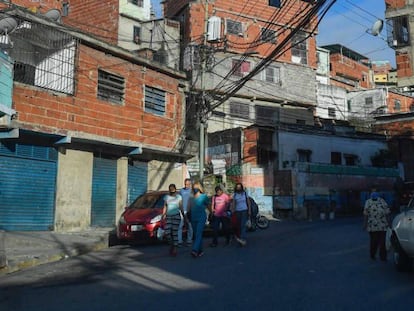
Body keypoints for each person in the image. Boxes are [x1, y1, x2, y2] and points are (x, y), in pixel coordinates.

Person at [363, 190, 391, 261]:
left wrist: (389, 223)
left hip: (381, 225)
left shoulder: (381, 201)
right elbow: (366, 214)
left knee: (382, 242)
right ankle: (373, 254)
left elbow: (387, 213)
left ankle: (383, 257)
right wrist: (365, 224)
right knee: (374, 241)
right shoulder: (368, 202)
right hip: (373, 226)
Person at [188, 181, 209, 257]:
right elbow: (188, 208)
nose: (195, 189)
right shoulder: (191, 197)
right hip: (193, 218)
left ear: (199, 188)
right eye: (194, 188)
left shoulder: (204, 196)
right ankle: (200, 250)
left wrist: (211, 213)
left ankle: (195, 250)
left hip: (201, 217)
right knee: (197, 234)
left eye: (196, 187)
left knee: (198, 233)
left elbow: (208, 205)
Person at [162, 184, 184, 257]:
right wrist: (163, 215)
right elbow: (165, 206)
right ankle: (172, 244)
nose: (171, 190)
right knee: (167, 232)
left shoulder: (178, 197)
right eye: (170, 188)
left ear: (175, 189)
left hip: (176, 216)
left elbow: (181, 207)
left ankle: (175, 248)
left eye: (172, 188)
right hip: (168, 216)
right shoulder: (166, 197)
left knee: (174, 233)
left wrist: (184, 216)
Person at [231, 182, 251, 247]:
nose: (238, 188)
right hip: (237, 211)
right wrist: (232, 211)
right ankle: (240, 237)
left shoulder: (245, 193)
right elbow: (233, 203)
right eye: (237, 187)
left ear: (241, 187)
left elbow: (248, 202)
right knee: (239, 226)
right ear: (236, 188)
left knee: (243, 225)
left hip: (244, 210)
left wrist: (249, 210)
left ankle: (242, 239)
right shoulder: (235, 194)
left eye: (240, 187)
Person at [178, 178, 193, 246]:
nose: (186, 186)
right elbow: (179, 200)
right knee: (180, 226)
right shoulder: (181, 191)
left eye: (188, 184)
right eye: (185, 184)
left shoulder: (192, 191)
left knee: (190, 226)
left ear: (190, 184)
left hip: (190, 211)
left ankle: (189, 240)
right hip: (182, 210)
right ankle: (179, 241)